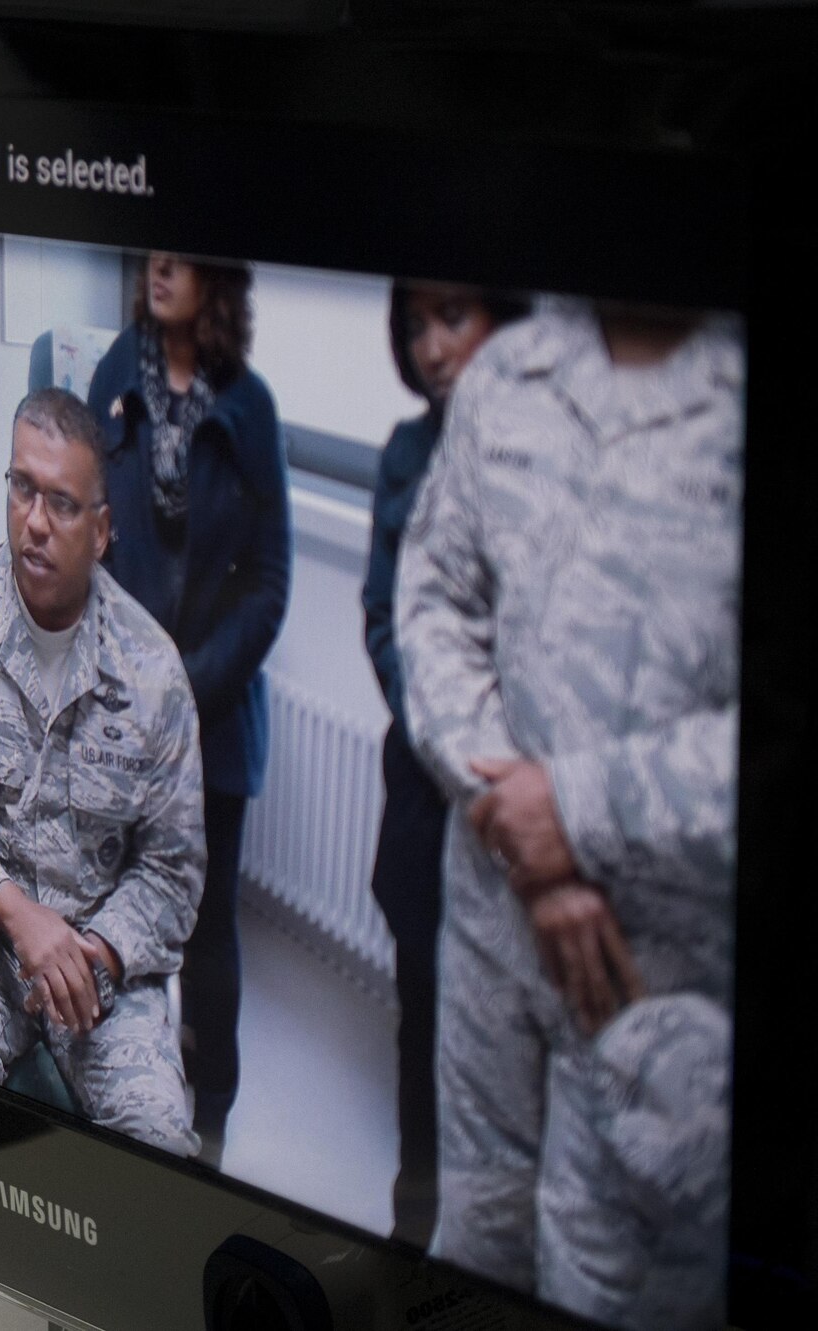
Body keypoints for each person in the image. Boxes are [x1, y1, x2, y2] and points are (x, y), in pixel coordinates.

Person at [395, 296, 742, 1330]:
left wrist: (578, 812)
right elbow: (430, 603)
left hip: (654, 981)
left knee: (611, 1287)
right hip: (493, 935)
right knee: (477, 1241)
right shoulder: (508, 378)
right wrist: (527, 838)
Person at [0, 388, 205, 1157]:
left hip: (101, 967)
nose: (33, 521)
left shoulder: (152, 672)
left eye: (62, 503)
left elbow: (173, 869)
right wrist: (15, 912)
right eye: (21, 488)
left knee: (159, 1141)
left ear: (101, 530)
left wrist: (91, 952)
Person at [86, 253, 289, 1166]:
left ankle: (211, 1121)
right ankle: (123, 1090)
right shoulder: (112, 374)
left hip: (214, 720)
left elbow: (271, 584)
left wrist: (187, 687)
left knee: (207, 932)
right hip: (120, 715)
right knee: (118, 903)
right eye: (149, 251)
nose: (158, 264)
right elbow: (90, 534)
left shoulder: (249, 405)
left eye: (181, 251)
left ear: (220, 276)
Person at [361, 281, 528, 1246]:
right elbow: (389, 627)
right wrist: (472, 754)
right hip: (434, 811)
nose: (431, 347)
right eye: (415, 325)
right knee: (424, 1048)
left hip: (540, 829)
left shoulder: (564, 455)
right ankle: (415, 1257)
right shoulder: (408, 455)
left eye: (452, 318)